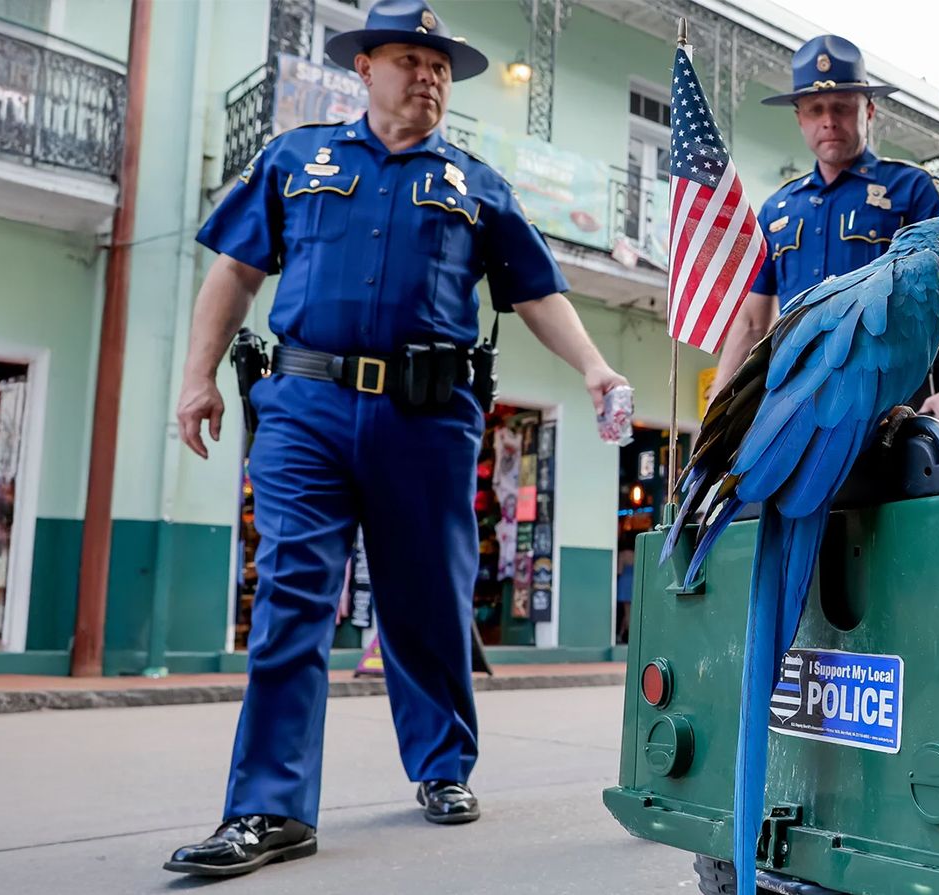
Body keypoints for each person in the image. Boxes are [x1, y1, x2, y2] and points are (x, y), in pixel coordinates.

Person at [165, 0, 627, 877]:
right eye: (412, 60)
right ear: (366, 67)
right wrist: (196, 377)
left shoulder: (475, 183)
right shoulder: (295, 159)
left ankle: (442, 766)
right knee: (291, 598)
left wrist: (597, 369)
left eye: (442, 67)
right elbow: (233, 268)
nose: (430, 77)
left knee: (425, 601)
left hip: (426, 417)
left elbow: (535, 291)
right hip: (305, 406)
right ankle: (268, 808)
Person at [710, 34, 939, 447]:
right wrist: (717, 411)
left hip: (895, 401)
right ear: (799, 118)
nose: (828, 120)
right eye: (815, 109)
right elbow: (751, 323)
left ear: (868, 110)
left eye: (842, 107)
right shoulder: (777, 209)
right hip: (801, 406)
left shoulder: (911, 189)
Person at [615, 546, 635, 644]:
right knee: (629, 611)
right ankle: (622, 634)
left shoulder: (622, 554)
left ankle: (626, 635)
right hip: (632, 583)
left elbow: (619, 570)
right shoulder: (635, 553)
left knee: (627, 613)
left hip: (624, 583)